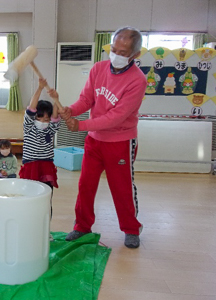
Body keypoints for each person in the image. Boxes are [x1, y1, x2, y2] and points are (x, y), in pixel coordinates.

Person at [59, 26, 147, 248]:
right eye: (114, 49)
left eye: (123, 52)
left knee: (122, 188)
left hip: (121, 142)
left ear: (135, 55)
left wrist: (80, 125)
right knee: (85, 184)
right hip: (94, 141)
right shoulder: (98, 69)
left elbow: (115, 118)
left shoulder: (138, 80)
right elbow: (86, 100)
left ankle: (131, 228)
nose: (116, 55)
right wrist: (71, 110)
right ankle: (82, 226)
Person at [19, 78, 61, 224]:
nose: (43, 121)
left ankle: (44, 227)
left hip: (46, 167)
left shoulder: (51, 128)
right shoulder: (29, 127)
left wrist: (56, 99)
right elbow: (31, 108)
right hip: (31, 166)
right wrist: (39, 88)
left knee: (46, 199)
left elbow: (55, 117)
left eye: (46, 119)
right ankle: (29, 224)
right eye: (40, 117)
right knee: (29, 198)